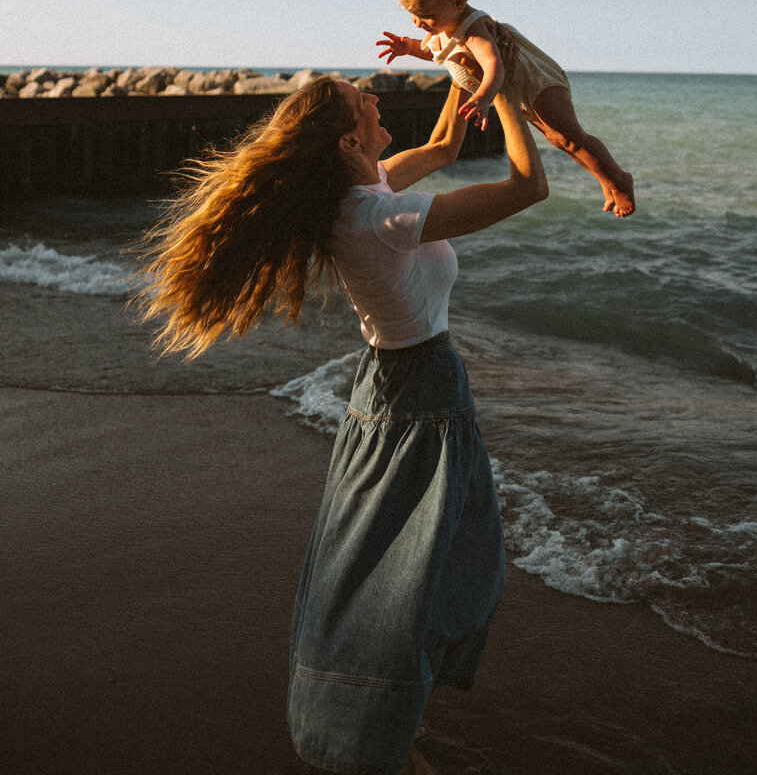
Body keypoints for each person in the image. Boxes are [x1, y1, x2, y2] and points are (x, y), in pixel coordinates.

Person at [137, 73, 549, 775]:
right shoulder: (372, 214)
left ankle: (382, 716)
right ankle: (375, 732)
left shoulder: (367, 191)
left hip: (395, 389)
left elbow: (447, 144)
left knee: (408, 567)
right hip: (419, 394)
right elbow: (526, 189)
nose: (379, 99)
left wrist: (464, 69)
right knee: (420, 576)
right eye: (365, 100)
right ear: (350, 137)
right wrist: (509, 97)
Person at [377, 0, 635, 217]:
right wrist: (410, 47)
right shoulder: (443, 24)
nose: (418, 23)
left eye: (426, 15)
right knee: (557, 139)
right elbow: (437, 53)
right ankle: (606, 180)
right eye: (413, 15)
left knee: (571, 137)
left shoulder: (474, 29)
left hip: (536, 82)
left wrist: (484, 98)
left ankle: (619, 180)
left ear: (458, 2)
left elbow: (494, 66)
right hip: (520, 90)